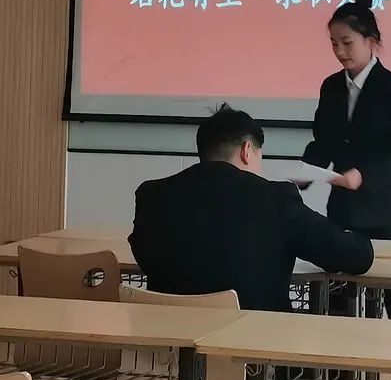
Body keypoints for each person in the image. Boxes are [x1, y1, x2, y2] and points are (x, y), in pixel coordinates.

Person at [129, 104, 374, 312]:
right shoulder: (275, 198)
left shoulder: (152, 195)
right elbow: (352, 256)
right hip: (255, 345)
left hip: (170, 341)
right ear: (247, 151)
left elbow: (145, 256)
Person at [303, 0, 391, 319]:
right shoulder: (331, 87)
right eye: (333, 43)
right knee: (338, 308)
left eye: (347, 42)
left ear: (371, 41)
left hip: (387, 215)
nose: (340, 52)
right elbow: (323, 142)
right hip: (344, 215)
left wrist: (363, 175)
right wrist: (304, 172)